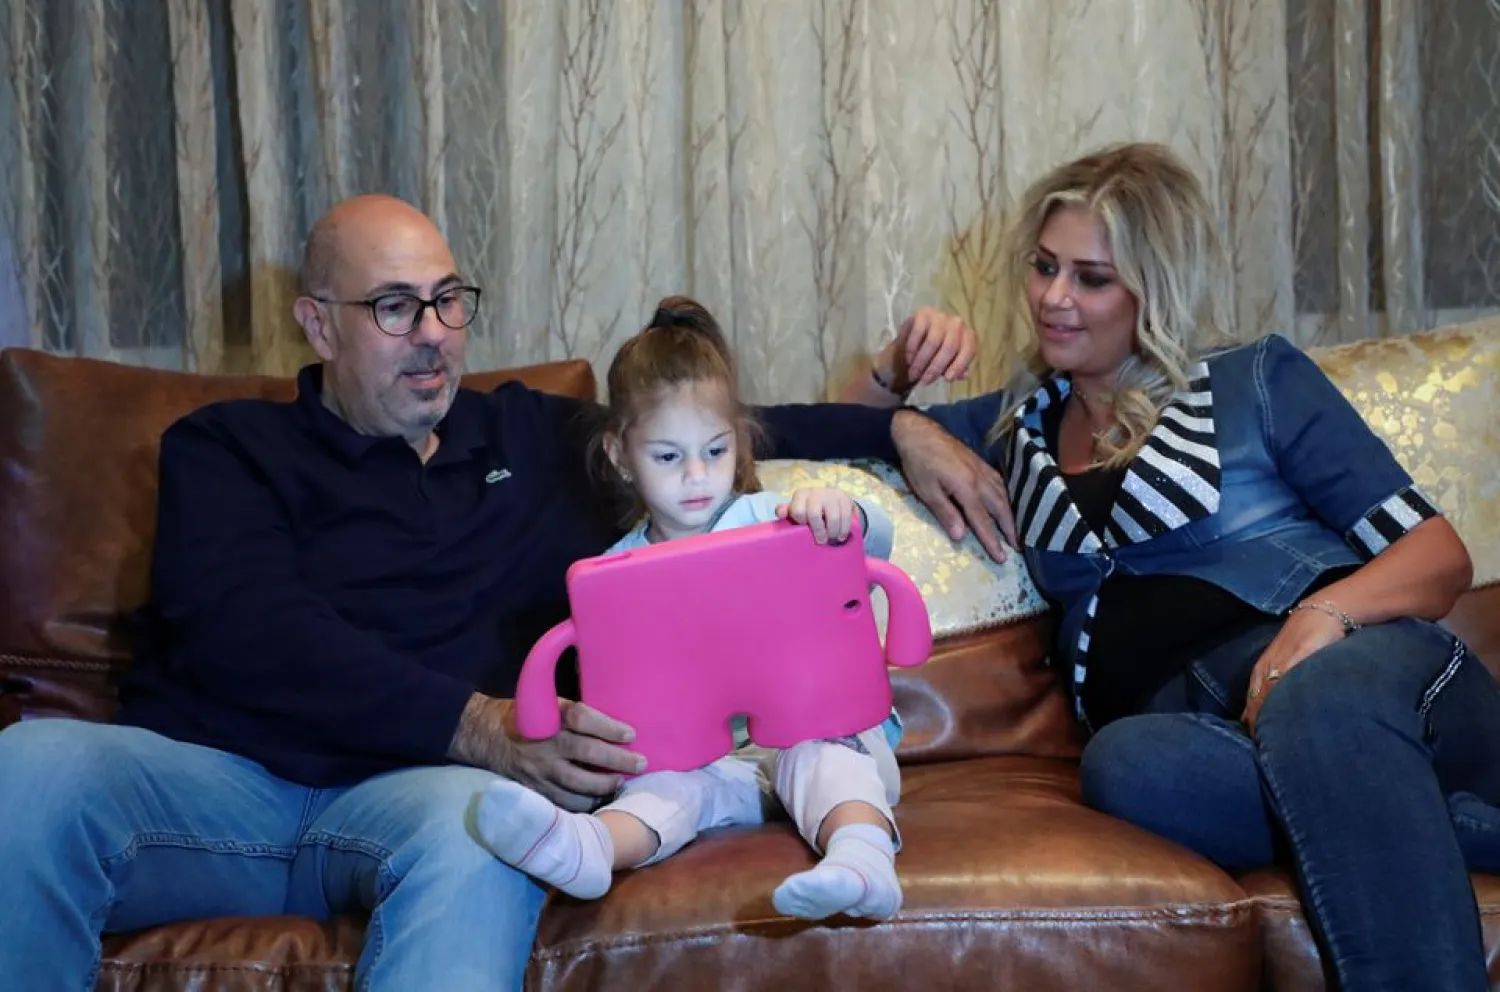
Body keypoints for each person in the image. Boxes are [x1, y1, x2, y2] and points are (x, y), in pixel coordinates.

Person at [0, 194, 1009, 990]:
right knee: (34, 762)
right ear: (319, 323)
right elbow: (247, 629)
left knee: (491, 826)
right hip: (219, 791)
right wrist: (479, 722)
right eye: (396, 307)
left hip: (423, 798)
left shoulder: (529, 435)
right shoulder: (227, 447)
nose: (434, 331)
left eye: (448, 299)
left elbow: (711, 431)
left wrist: (895, 429)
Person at [907, 142, 1500, 991]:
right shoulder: (1014, 426)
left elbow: (1438, 556)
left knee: (1317, 703)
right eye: (1043, 267)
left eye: (1091, 277)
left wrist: (1320, 617)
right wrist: (903, 418)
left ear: (1155, 288)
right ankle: (1451, 824)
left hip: (1370, 673)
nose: (1053, 298)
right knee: (1126, 766)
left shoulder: (1255, 381)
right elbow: (793, 427)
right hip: (1201, 731)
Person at [476, 297, 906, 921]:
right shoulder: (617, 570)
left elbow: (873, 545)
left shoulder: (772, 518)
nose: (698, 476)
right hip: (721, 770)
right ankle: (593, 848)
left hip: (820, 740)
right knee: (668, 786)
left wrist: (843, 515)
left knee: (822, 755)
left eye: (715, 450)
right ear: (621, 456)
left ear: (740, 440)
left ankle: (862, 860)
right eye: (669, 457)